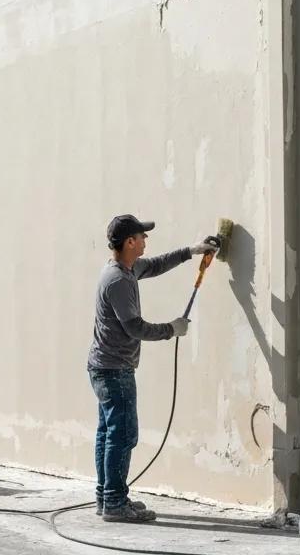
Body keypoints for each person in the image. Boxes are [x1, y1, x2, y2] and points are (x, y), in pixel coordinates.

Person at [88, 214, 220, 523]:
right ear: (130, 242)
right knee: (122, 436)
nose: (147, 240)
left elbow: (158, 264)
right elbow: (134, 327)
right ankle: (115, 504)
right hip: (114, 370)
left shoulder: (127, 269)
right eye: (142, 236)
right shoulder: (118, 280)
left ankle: (107, 498)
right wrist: (171, 329)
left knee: (108, 433)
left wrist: (193, 251)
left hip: (105, 366)